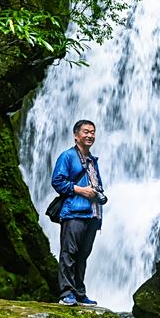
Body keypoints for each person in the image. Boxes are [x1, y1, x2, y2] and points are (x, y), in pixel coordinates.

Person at [51, 119, 106, 306]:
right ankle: (66, 293)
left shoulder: (92, 161)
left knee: (83, 255)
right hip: (74, 213)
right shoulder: (67, 157)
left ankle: (79, 292)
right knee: (69, 253)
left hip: (92, 214)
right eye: (86, 132)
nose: (90, 135)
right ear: (76, 136)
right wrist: (80, 190)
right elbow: (57, 181)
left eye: (93, 132)